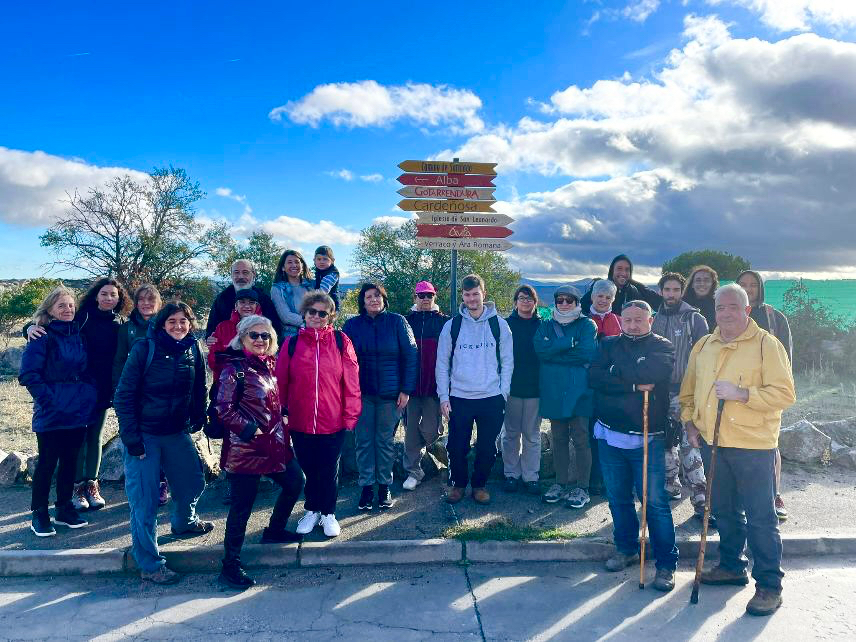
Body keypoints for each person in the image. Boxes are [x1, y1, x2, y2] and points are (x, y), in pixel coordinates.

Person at [680, 283, 796, 616]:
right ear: (713, 311)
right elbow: (689, 393)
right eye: (720, 307)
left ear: (746, 310)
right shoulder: (704, 345)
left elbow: (785, 394)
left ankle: (769, 586)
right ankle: (731, 566)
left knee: (761, 518)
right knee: (725, 512)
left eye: (733, 307)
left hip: (754, 446)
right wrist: (690, 424)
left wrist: (743, 394)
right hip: (712, 443)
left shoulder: (766, 345)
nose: (726, 313)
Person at [114, 302, 213, 585]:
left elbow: (199, 387)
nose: (179, 326)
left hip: (175, 431)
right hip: (145, 434)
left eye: (184, 321)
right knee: (144, 502)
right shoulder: (144, 350)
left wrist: (197, 415)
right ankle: (150, 563)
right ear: (161, 324)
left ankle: (184, 522)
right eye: (172, 321)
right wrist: (132, 439)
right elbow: (123, 396)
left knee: (192, 482)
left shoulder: (193, 349)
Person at [589, 300, 677, 592]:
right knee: (618, 498)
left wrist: (616, 373)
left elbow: (650, 375)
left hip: (646, 437)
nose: (632, 325)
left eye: (639, 320)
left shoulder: (662, 347)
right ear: (620, 320)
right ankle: (626, 548)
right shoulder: (607, 344)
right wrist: (631, 384)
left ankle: (666, 563)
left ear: (650, 321)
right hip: (609, 435)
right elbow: (594, 378)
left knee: (654, 503)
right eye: (627, 320)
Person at [27, 277, 131, 512]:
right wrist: (30, 327)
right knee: (78, 440)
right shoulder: (81, 317)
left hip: (102, 388)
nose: (108, 298)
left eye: (113, 294)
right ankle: (75, 487)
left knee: (94, 436)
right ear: (96, 295)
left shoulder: (121, 323)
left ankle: (91, 485)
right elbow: (52, 323)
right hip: (77, 390)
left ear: (119, 299)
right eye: (104, 293)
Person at [216, 315, 305, 589]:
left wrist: (285, 417)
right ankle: (230, 565)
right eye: (254, 335)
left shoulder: (270, 366)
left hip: (275, 444)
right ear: (242, 338)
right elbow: (223, 409)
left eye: (265, 336)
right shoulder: (235, 370)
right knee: (242, 507)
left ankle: (275, 530)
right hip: (247, 449)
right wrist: (249, 430)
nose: (260, 340)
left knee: (295, 483)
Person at [276, 292, 361, 537]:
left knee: (328, 468)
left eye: (322, 313)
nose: (316, 316)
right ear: (304, 313)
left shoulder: (340, 341)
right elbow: (281, 381)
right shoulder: (291, 344)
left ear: (330, 316)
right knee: (309, 468)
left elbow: (351, 381)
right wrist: (281, 412)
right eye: (312, 311)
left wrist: (351, 414)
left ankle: (328, 513)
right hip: (300, 420)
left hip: (332, 419)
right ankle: (312, 509)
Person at [19, 286, 97, 537]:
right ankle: (39, 514)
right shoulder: (41, 336)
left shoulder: (79, 334)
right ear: (50, 310)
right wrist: (49, 400)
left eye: (71, 305)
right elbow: (29, 374)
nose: (68, 309)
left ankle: (63, 509)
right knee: (48, 463)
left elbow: (84, 369)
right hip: (52, 410)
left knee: (70, 462)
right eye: (61, 305)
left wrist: (88, 395)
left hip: (77, 409)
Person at [436, 274, 514, 505]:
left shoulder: (499, 324)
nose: (471, 298)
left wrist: (504, 393)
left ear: (484, 294)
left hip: (491, 397)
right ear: (463, 296)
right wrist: (443, 397)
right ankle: (458, 485)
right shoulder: (453, 325)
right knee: (456, 446)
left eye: (475, 294)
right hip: (460, 396)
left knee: (487, 447)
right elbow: (442, 363)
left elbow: (508, 361)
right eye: (467, 294)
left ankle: (479, 485)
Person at [343, 283, 418, 511]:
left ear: (384, 299)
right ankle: (366, 487)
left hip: (391, 395)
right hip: (362, 394)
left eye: (377, 296)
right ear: (362, 301)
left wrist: (406, 389)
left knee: (384, 442)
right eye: (368, 297)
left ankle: (384, 485)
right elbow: (343, 360)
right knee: (363, 441)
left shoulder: (397, 322)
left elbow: (411, 355)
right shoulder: (352, 325)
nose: (373, 300)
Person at [652, 272, 710, 518]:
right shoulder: (653, 319)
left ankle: (701, 500)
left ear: (681, 291)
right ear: (661, 291)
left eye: (676, 289)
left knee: (690, 444)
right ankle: (669, 487)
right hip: (659, 392)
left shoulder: (694, 319)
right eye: (667, 289)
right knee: (666, 443)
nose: (671, 294)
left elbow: (705, 358)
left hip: (687, 393)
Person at [737, 270, 793, 522]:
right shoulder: (730, 316)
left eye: (752, 285)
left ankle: (774, 495)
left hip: (767, 391)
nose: (748, 289)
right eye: (743, 285)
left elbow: (786, 358)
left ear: (760, 288)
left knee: (770, 445)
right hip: (736, 393)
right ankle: (742, 499)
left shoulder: (774, 317)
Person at [534, 285, 598, 508]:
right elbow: (539, 351)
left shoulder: (587, 325)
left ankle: (582, 487)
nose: (563, 304)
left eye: (569, 300)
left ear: (577, 303)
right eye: (559, 300)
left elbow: (587, 353)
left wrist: (554, 351)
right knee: (558, 438)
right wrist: (567, 344)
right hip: (553, 391)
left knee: (581, 438)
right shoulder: (545, 325)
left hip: (580, 391)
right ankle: (560, 484)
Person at [112, 284, 171, 507]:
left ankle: (161, 482)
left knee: (160, 437)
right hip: (134, 392)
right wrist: (118, 388)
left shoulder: (165, 326)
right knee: (135, 438)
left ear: (159, 304)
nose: (146, 304)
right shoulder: (126, 329)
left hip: (159, 392)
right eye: (142, 300)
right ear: (136, 303)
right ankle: (138, 484)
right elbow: (118, 361)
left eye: (151, 300)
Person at [402, 281, 449, 491]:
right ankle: (414, 471)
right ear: (415, 297)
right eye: (421, 296)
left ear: (434, 297)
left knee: (430, 431)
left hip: (433, 387)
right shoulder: (405, 321)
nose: (425, 299)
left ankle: (442, 458)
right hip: (411, 388)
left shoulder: (443, 322)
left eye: (429, 295)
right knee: (411, 432)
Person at [502, 285, 543, 495]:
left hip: (535, 388)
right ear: (515, 301)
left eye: (530, 299)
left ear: (535, 303)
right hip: (511, 388)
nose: (526, 302)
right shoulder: (506, 326)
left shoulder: (543, 326)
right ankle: (511, 474)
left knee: (532, 435)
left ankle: (531, 477)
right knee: (510, 434)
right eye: (522, 298)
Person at [205, 259, 281, 341]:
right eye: (236, 272)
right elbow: (211, 329)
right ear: (231, 275)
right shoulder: (222, 298)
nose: (241, 277)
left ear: (253, 274)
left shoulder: (263, 299)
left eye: (245, 272)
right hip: (228, 350)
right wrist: (210, 339)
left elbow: (275, 329)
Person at [207, 289, 261, 381]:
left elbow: (266, 357)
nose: (247, 306)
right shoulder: (223, 327)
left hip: (255, 383)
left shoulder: (264, 328)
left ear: (257, 306)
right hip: (225, 382)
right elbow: (213, 359)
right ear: (236, 306)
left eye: (251, 303)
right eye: (242, 302)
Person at [580, 255, 662, 314]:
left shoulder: (633, 292)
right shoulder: (601, 288)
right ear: (612, 271)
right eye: (619, 269)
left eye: (627, 270)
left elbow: (659, 305)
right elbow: (581, 308)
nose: (623, 273)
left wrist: (633, 282)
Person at [270, 250, 314, 339]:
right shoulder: (277, 289)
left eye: (297, 262)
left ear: (302, 265)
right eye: (289, 262)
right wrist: (311, 322)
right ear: (283, 267)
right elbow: (286, 317)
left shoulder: (311, 286)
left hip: (313, 334)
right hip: (291, 338)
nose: (294, 265)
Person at [683, 265, 719, 331]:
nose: (702, 284)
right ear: (692, 284)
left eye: (706, 280)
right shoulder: (682, 304)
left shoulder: (719, 305)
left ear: (712, 284)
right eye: (698, 280)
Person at [313, 245, 341, 310]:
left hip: (332, 305)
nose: (321, 262)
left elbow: (323, 291)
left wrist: (309, 294)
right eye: (319, 259)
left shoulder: (332, 274)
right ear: (314, 260)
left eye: (325, 259)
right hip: (324, 303)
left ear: (332, 260)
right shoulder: (319, 271)